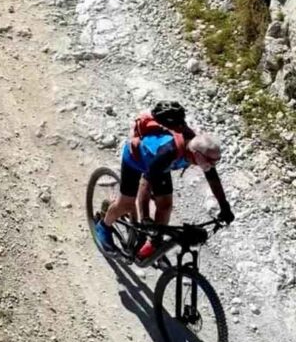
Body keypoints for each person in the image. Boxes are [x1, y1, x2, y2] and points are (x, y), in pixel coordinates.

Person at [95, 102, 234, 258]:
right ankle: (103, 226)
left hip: (161, 166)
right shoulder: (168, 152)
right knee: (126, 204)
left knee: (165, 205)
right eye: (210, 161)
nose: (212, 165)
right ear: (197, 154)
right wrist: (146, 218)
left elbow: (213, 179)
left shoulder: (198, 149)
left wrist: (225, 206)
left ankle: (154, 242)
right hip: (136, 159)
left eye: (215, 162)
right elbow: (146, 185)